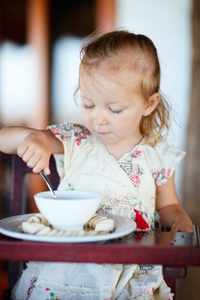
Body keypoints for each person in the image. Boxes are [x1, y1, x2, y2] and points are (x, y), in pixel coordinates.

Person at [0, 30, 193, 300]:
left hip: (131, 267)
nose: (99, 120)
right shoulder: (76, 140)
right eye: (89, 105)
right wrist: (32, 138)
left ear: (149, 104)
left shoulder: (157, 155)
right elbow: (4, 139)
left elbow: (168, 206)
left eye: (114, 110)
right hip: (68, 266)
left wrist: (181, 219)